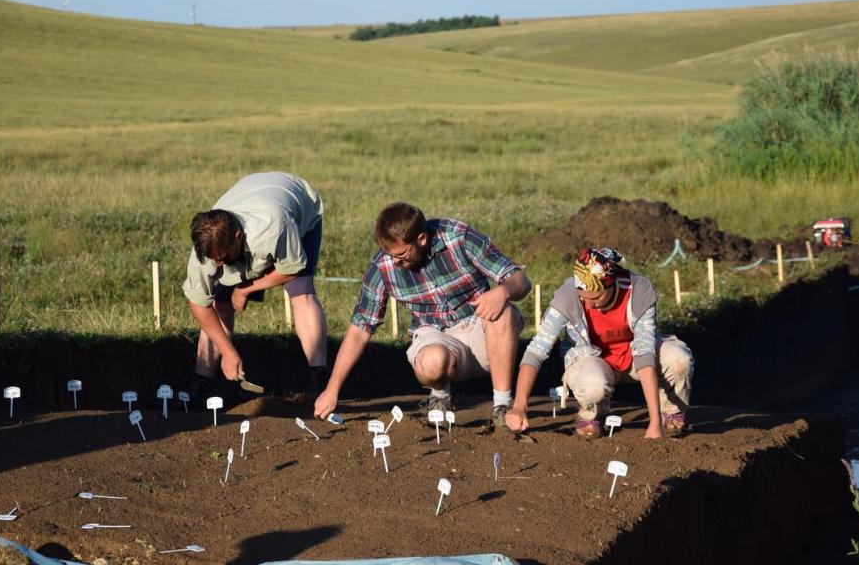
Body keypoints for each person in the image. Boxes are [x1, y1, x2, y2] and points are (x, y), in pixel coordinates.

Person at [313, 202, 531, 430]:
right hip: (435, 334)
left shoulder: (458, 237)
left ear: (422, 239)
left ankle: (502, 407)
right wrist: (332, 390)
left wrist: (504, 291)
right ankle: (440, 397)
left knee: (503, 313)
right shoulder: (383, 266)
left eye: (401, 254)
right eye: (389, 254)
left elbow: (520, 280)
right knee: (431, 361)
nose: (395, 261)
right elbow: (360, 328)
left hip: (480, 330)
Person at [506, 247, 693, 439]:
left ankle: (672, 411)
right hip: (592, 360)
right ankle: (592, 416)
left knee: (678, 359)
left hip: (633, 357)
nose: (589, 304)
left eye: (595, 297)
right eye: (583, 298)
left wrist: (654, 423)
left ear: (612, 284)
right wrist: (519, 406)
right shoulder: (567, 296)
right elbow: (536, 351)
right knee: (593, 385)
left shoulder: (638, 291)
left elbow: (644, 354)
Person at [182, 171, 328, 397]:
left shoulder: (274, 228)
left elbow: (293, 269)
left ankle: (318, 378)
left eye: (223, 258)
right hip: (251, 193)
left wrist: (246, 289)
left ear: (238, 236)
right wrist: (228, 351)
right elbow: (200, 304)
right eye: (214, 259)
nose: (218, 264)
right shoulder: (205, 250)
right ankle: (201, 383)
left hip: (299, 209)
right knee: (221, 302)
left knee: (301, 292)